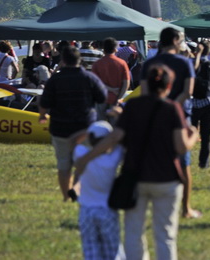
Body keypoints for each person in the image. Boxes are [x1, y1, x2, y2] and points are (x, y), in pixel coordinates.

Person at [76, 65, 198, 260]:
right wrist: (193, 136)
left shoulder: (133, 106)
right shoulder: (172, 108)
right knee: (165, 235)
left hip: (136, 177)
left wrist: (87, 157)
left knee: (134, 233)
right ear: (169, 87)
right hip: (167, 179)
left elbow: (115, 136)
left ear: (146, 85)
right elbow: (181, 147)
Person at [141, 27, 198, 219]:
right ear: (174, 40)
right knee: (183, 163)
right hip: (181, 115)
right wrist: (173, 107)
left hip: (153, 115)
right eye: (181, 39)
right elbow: (188, 91)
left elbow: (144, 92)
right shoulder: (184, 62)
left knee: (155, 159)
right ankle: (186, 208)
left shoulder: (149, 63)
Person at [38, 46, 107, 201]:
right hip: (85, 128)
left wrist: (42, 116)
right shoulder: (89, 77)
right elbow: (102, 97)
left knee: (64, 165)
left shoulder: (55, 79)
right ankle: (77, 188)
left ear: (63, 61)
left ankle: (65, 196)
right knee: (84, 162)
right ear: (79, 60)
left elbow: (45, 101)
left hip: (60, 128)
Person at [72, 121, 125, 260]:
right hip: (107, 210)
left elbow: (73, 140)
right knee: (113, 250)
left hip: (86, 211)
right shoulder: (113, 158)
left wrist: (86, 132)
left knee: (91, 251)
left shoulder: (81, 154)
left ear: (90, 138)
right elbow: (120, 139)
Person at [191, 41, 210, 169]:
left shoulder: (191, 64)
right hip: (208, 103)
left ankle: (185, 159)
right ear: (209, 52)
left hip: (192, 103)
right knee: (206, 134)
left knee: (188, 133)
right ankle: (204, 162)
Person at [92, 37, 131, 117]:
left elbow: (95, 83)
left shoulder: (97, 64)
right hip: (116, 98)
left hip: (101, 98)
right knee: (114, 126)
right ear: (115, 49)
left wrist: (110, 89)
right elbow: (126, 83)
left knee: (100, 125)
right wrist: (119, 97)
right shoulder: (122, 63)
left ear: (103, 49)